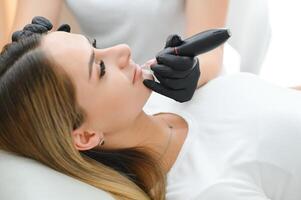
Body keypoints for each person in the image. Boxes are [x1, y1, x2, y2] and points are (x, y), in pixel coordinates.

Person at [2, 17, 301, 200]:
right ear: (86, 136)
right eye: (100, 68)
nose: (123, 49)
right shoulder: (208, 190)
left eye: (95, 45)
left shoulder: (162, 98)